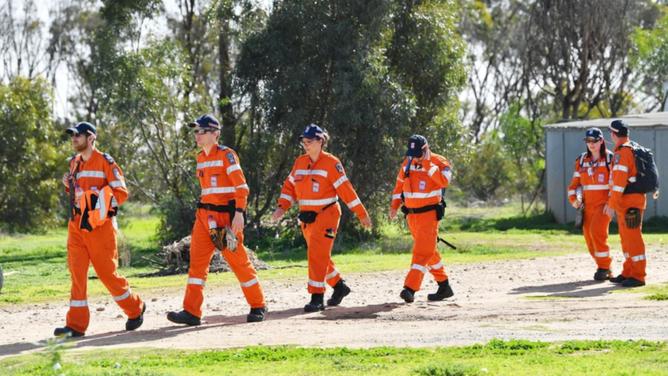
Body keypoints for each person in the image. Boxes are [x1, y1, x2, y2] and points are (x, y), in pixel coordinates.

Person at [167, 114, 267, 325]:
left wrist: (239, 213)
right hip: (204, 218)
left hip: (223, 220)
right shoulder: (201, 158)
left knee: (237, 261)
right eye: (196, 131)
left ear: (215, 134)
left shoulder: (227, 156)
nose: (197, 135)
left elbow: (242, 187)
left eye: (202, 131)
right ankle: (191, 312)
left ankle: (258, 305)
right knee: (197, 264)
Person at [55, 121, 145, 337]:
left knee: (107, 274)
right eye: (72, 135)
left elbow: (120, 193)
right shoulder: (75, 163)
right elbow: (79, 190)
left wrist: (98, 209)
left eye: (78, 135)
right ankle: (75, 326)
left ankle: (135, 308)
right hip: (76, 225)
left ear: (91, 138)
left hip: (99, 228)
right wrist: (68, 183)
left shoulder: (106, 162)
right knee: (77, 274)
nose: (74, 139)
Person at [271, 124, 372, 312]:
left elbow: (346, 190)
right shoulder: (299, 163)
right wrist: (281, 208)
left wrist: (361, 214)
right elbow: (289, 187)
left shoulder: (332, 163)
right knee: (320, 255)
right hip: (306, 218)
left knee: (316, 254)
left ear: (320, 141)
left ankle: (317, 297)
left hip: (328, 215)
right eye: (303, 142)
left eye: (309, 141)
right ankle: (339, 286)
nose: (305, 145)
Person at [389, 135, 453, 303]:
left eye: (418, 153)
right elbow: (398, 185)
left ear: (426, 149)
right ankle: (444, 286)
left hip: (429, 215)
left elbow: (444, 181)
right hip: (411, 216)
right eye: (412, 153)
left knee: (422, 252)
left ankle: (410, 288)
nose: (415, 156)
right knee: (429, 251)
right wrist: (394, 205)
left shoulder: (440, 162)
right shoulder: (408, 162)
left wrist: (427, 164)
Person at [567, 128, 614, 281]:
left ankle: (604, 267)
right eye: (588, 141)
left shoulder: (610, 159)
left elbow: (616, 183)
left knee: (597, 232)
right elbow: (574, 184)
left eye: (594, 141)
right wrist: (574, 200)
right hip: (587, 207)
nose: (591, 144)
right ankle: (605, 267)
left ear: (601, 141)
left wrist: (611, 202)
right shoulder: (581, 160)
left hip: (604, 206)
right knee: (589, 238)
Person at [605, 120, 648, 287]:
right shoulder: (624, 150)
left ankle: (638, 276)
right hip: (627, 203)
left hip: (631, 204)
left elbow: (619, 183)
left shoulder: (624, 153)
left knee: (633, 238)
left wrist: (611, 204)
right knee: (626, 239)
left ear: (613, 134)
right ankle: (628, 271)